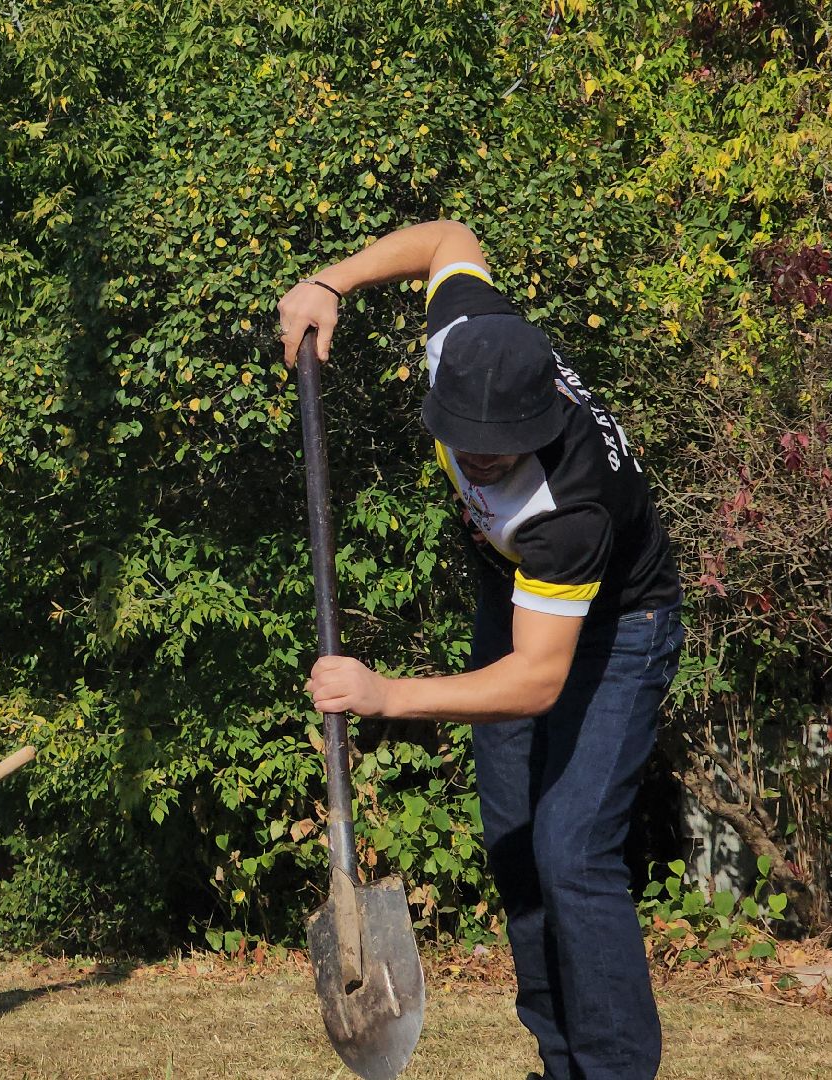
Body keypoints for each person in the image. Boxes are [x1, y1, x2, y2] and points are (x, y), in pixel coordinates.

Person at [277, 220, 683, 1080]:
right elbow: (447, 238)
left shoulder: (570, 507)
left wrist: (386, 694)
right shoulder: (461, 340)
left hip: (619, 629)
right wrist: (330, 283)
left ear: (543, 418)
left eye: (501, 446)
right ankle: (558, 1060)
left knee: (572, 849)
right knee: (515, 840)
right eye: (467, 438)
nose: (481, 458)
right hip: (516, 597)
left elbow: (536, 681)